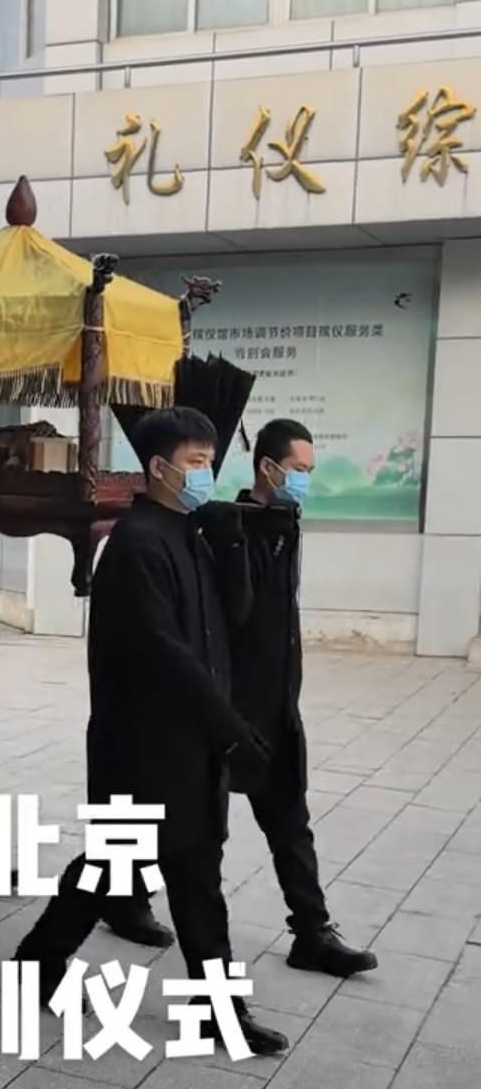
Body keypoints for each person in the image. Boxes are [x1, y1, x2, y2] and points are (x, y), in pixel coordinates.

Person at [15, 407, 288, 1056]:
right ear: (159, 468)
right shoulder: (137, 544)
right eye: (194, 462)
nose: (205, 474)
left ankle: (42, 965)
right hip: (145, 746)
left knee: (152, 868)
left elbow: (230, 623)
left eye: (210, 461)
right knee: (167, 870)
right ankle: (212, 1007)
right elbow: (166, 654)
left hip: (185, 742)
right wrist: (229, 730)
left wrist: (235, 547)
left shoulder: (190, 533)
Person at [232, 419, 377, 977]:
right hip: (229, 711)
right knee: (177, 825)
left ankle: (312, 933)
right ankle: (119, 897)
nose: (305, 482)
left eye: (310, 472)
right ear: (268, 468)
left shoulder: (286, 523)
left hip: (277, 709)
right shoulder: (235, 529)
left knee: (291, 822)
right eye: (298, 470)